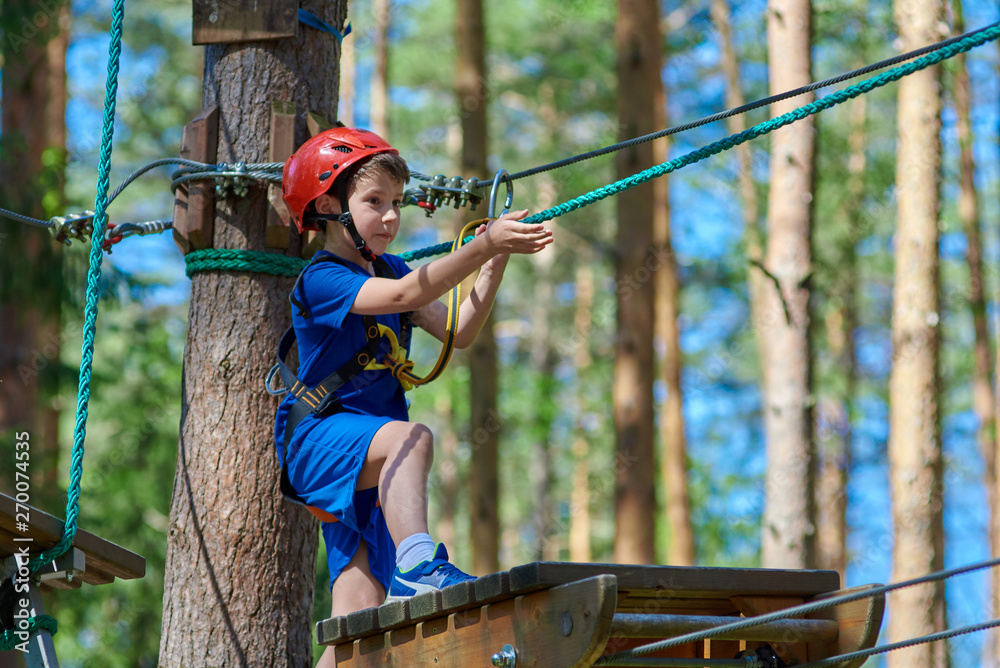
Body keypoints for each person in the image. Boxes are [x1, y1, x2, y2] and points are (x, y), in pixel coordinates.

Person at [272, 127, 552, 667]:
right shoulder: (323, 279)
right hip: (324, 441)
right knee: (412, 437)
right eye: (373, 202)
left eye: (397, 203)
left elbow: (458, 331)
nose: (390, 217)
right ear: (329, 207)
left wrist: (493, 263)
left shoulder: (391, 267)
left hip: (368, 459)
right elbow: (404, 297)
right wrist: (483, 244)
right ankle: (418, 565)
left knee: (358, 608)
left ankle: (394, 584)